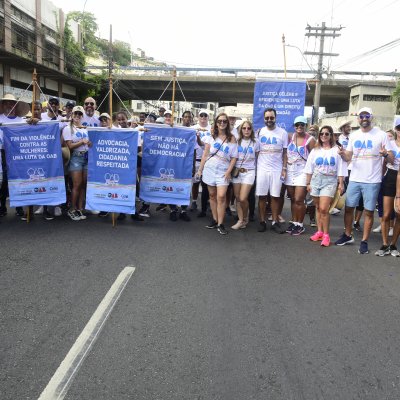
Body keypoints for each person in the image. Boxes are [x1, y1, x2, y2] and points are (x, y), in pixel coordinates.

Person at [335, 107, 393, 254]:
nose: (364, 118)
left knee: (368, 212)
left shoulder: (380, 135)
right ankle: (348, 235)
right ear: (358, 118)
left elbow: (392, 158)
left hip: (372, 180)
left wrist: (386, 154)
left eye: (367, 115)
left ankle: (364, 241)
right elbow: (349, 157)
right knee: (348, 208)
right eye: (361, 116)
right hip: (354, 178)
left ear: (371, 117)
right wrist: (342, 154)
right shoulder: (354, 135)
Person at [305, 126, 346, 247]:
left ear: (331, 135)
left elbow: (340, 168)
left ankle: (326, 235)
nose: (324, 136)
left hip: (330, 180)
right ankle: (319, 232)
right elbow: (309, 168)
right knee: (318, 207)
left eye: (327, 134)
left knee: (324, 209)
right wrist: (308, 183)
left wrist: (341, 184)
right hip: (316, 180)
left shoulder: (337, 150)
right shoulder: (315, 150)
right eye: (322, 134)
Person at [198, 112, 238, 235]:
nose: (222, 123)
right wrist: (200, 169)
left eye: (224, 121)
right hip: (210, 169)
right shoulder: (211, 136)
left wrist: (228, 171)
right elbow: (205, 154)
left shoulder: (232, 138)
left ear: (227, 123)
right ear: (216, 123)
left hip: (223, 171)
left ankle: (221, 223)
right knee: (212, 196)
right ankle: (215, 220)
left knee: (221, 196)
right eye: (219, 121)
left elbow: (234, 157)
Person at [256, 108, 288, 234]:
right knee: (262, 196)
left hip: (277, 169)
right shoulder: (259, 132)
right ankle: (262, 221)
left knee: (275, 196)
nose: (269, 120)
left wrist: (284, 168)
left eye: (271, 117)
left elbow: (285, 153)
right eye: (267, 118)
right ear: (264, 119)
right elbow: (256, 151)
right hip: (262, 168)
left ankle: (275, 222)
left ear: (275, 118)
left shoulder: (283, 133)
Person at [285, 116, 316, 235]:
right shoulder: (290, 137)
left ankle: (300, 224)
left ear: (305, 126)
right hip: (290, 171)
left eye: (302, 125)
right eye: (297, 125)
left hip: (302, 172)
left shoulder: (310, 139)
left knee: (299, 199)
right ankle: (294, 221)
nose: (299, 127)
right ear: (294, 126)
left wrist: (311, 176)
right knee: (293, 199)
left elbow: (314, 157)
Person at [0, 94, 30, 218]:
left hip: (18, 153)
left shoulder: (21, 121)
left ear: (15, 105)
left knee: (18, 179)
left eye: (11, 103)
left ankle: (18, 206)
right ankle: (2, 206)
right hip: (2, 152)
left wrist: (34, 122)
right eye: (6, 102)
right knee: (4, 181)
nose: (9, 105)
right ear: (3, 105)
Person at [62, 106, 91, 221]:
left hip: (86, 157)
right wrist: (82, 141)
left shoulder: (84, 128)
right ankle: (72, 209)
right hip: (76, 158)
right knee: (77, 185)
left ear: (82, 116)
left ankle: (80, 208)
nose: (77, 116)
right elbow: (69, 146)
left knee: (83, 185)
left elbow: (89, 143)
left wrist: (89, 143)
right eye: (75, 114)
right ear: (72, 115)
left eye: (80, 114)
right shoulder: (68, 128)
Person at [375, 124, 400, 255]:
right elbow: (384, 163)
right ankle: (384, 244)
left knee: (399, 215)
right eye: (399, 128)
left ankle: (393, 245)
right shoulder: (389, 143)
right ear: (396, 130)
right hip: (390, 177)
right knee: (386, 214)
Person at [231, 121, 259, 230]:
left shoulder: (255, 142)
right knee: (238, 198)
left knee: (243, 198)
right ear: (240, 130)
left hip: (249, 172)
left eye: (248, 128)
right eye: (244, 128)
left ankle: (245, 217)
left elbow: (258, 158)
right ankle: (241, 220)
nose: (246, 130)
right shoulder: (236, 141)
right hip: (237, 172)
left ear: (251, 130)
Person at [168, 110, 193, 222]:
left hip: (186, 164)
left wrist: (192, 165)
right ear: (182, 118)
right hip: (175, 163)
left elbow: (194, 150)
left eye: (189, 117)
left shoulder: (192, 131)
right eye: (186, 117)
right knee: (172, 187)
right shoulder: (176, 129)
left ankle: (183, 211)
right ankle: (173, 210)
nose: (187, 119)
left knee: (185, 188)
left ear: (191, 119)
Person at [192, 109, 211, 216]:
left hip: (208, 161)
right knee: (195, 183)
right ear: (198, 117)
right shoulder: (193, 128)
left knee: (206, 184)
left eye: (205, 116)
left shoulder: (212, 128)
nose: (203, 118)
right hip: (196, 160)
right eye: (201, 116)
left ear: (208, 117)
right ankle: (194, 201)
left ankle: (206, 202)